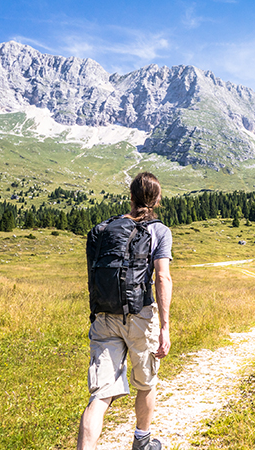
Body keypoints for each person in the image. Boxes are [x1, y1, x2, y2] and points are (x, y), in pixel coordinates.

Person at [77, 172, 172, 450]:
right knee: (145, 383)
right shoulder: (158, 230)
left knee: (100, 396)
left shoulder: (105, 229)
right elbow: (163, 277)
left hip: (104, 316)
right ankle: (142, 442)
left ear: (130, 197)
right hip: (139, 317)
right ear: (157, 200)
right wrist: (165, 326)